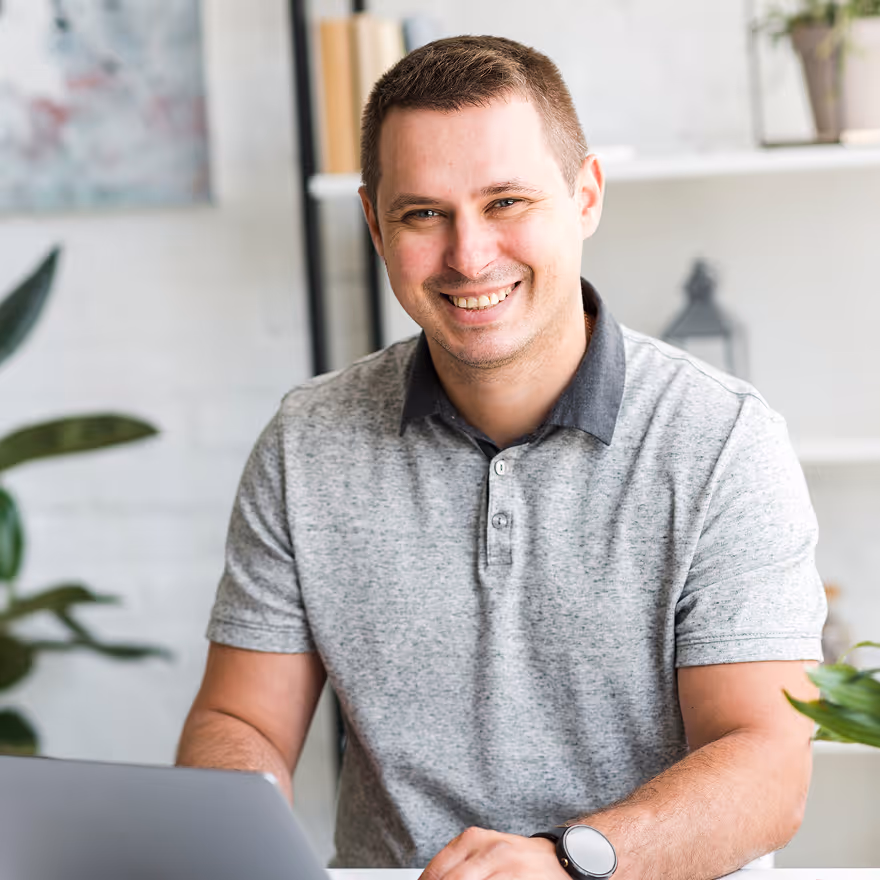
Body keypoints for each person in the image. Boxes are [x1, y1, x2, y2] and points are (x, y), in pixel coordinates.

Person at [177, 35, 826, 880]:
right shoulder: (307, 443)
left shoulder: (723, 443)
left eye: (507, 202)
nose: (468, 255)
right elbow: (244, 720)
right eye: (423, 214)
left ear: (585, 195)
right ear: (375, 223)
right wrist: (232, 829)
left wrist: (567, 863)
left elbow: (769, 762)